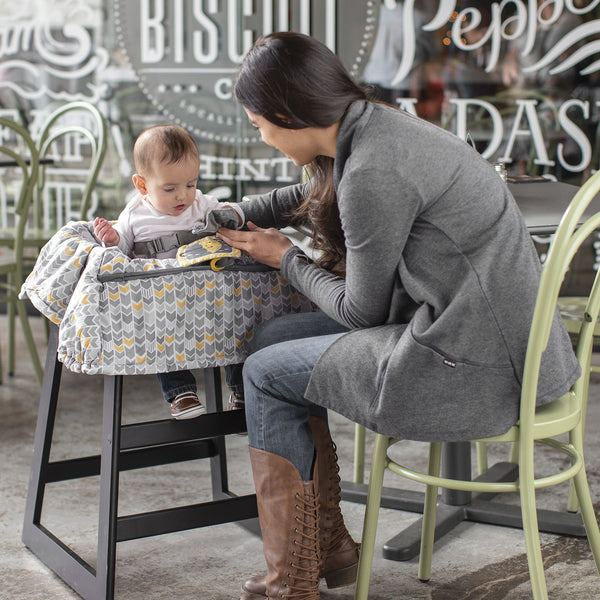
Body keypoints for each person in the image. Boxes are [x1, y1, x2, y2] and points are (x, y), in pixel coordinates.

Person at [216, 32, 581, 600]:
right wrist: (239, 212)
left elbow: (359, 313)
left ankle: (290, 581)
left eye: (259, 123)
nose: (259, 136)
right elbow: (313, 189)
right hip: (512, 344)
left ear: (289, 114)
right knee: (272, 338)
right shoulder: (376, 126)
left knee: (265, 371)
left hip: (469, 364)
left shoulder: (371, 173)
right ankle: (328, 546)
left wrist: (283, 257)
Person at [93, 124, 246, 420]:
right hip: (163, 302)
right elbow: (121, 250)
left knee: (237, 322)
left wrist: (236, 216)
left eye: (190, 184)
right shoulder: (135, 214)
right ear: (142, 185)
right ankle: (181, 393)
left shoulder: (201, 205)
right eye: (170, 188)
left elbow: (228, 215)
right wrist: (111, 239)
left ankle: (241, 391)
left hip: (208, 295)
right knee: (159, 333)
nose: (183, 196)